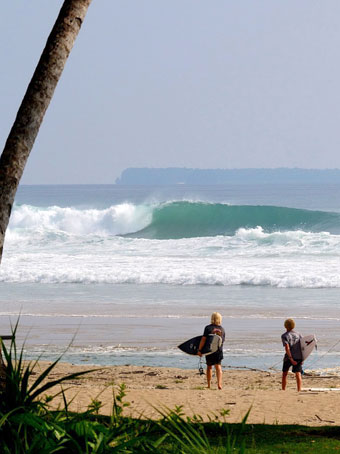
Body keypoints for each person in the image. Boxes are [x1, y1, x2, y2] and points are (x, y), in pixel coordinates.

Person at [197, 312, 225, 390]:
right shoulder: (222, 329)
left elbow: (203, 340)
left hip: (210, 351)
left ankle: (209, 385)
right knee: (218, 367)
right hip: (218, 351)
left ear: (212, 318)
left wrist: (200, 350)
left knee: (209, 367)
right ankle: (219, 384)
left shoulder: (208, 328)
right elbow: (222, 342)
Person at [281, 318, 303, 392]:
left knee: (284, 374)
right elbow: (303, 346)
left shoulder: (284, 335)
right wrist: (303, 358)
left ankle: (283, 390)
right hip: (298, 356)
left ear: (285, 326)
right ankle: (299, 390)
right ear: (293, 325)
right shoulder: (298, 334)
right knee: (298, 374)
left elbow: (287, 347)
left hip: (288, 357)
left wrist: (291, 358)